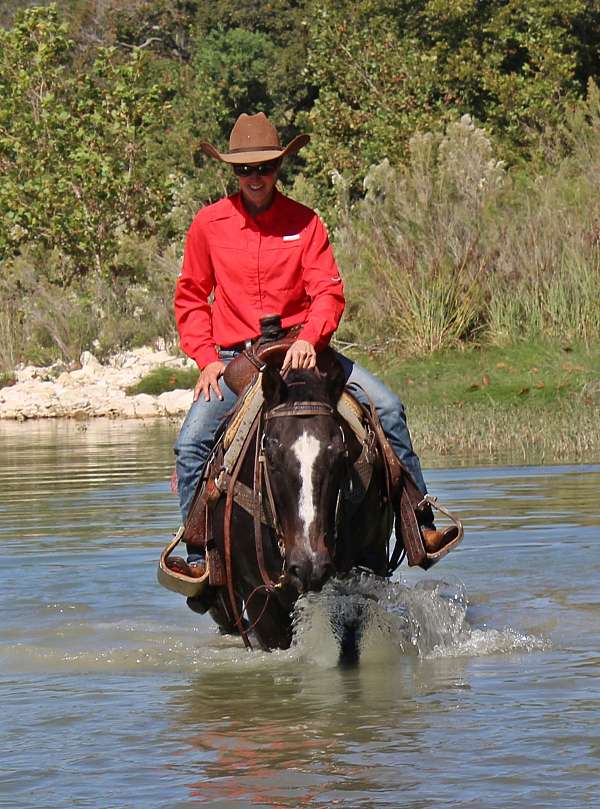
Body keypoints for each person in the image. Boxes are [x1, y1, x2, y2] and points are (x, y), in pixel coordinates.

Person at [173, 113, 453, 576]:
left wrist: (308, 337)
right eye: (245, 169)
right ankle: (202, 556)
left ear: (279, 167)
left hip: (308, 354)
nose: (255, 177)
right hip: (236, 360)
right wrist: (205, 359)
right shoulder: (209, 225)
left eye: (264, 167)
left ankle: (417, 521)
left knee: (387, 407)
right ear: (232, 172)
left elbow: (328, 291)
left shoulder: (305, 222)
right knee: (190, 444)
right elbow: (190, 296)